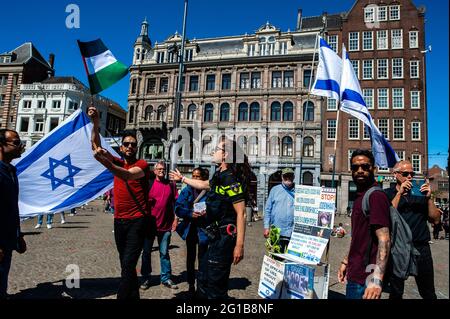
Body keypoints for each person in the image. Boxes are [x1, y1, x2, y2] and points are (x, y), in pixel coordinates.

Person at [170, 136, 250, 299]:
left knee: (215, 285)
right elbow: (205, 184)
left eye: (216, 150)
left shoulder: (230, 177)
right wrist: (183, 179)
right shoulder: (219, 175)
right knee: (204, 278)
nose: (213, 152)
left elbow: (241, 213)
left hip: (224, 237)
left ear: (225, 155)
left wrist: (239, 245)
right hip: (214, 236)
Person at [88, 106, 150, 299]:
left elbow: (128, 176)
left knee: (128, 265)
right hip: (119, 220)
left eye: (133, 144)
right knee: (126, 263)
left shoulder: (142, 165)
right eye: (127, 144)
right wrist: (96, 123)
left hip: (138, 221)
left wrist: (106, 163)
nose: (130, 147)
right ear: (121, 147)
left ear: (136, 148)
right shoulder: (118, 161)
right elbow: (95, 145)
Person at [337, 149, 391, 299]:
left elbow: (384, 239)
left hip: (366, 279)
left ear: (373, 169)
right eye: (355, 167)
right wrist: (346, 261)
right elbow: (358, 237)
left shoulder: (376, 196)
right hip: (355, 273)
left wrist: (376, 279)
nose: (360, 170)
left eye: (365, 167)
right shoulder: (361, 197)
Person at [384, 160, 440, 299]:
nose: (410, 176)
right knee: (396, 292)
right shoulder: (387, 194)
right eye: (405, 173)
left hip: (421, 248)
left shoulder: (419, 193)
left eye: (412, 173)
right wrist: (399, 194)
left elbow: (435, 219)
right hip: (398, 248)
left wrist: (428, 198)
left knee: (428, 292)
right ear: (396, 174)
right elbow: (387, 217)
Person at [140, 160, 179, 290]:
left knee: (164, 253)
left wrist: (176, 219)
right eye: (159, 169)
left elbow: (176, 203)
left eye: (163, 169)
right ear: (155, 170)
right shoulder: (149, 184)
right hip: (149, 225)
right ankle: (145, 278)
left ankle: (166, 278)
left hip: (166, 225)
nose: (162, 171)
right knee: (146, 253)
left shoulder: (171, 185)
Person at [174, 167, 209, 297]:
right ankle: (191, 284)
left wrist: (207, 212)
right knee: (190, 259)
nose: (194, 178)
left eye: (197, 176)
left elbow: (215, 208)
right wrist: (189, 213)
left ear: (203, 178)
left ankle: (201, 286)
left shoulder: (208, 191)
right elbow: (177, 208)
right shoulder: (186, 190)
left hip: (204, 230)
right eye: (193, 176)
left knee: (203, 259)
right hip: (190, 230)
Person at [0, 129, 27, 299]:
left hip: (9, 239)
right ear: (1, 146)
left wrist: (19, 235)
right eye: (16, 143)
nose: (21, 146)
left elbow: (11, 208)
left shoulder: (10, 171)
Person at [263, 168, 295, 253]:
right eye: (286, 176)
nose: (288, 178)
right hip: (277, 232)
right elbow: (267, 210)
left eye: (290, 176)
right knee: (276, 259)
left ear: (294, 177)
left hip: (293, 232)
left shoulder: (299, 191)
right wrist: (266, 227)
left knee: (291, 260)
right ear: (282, 177)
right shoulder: (274, 190)